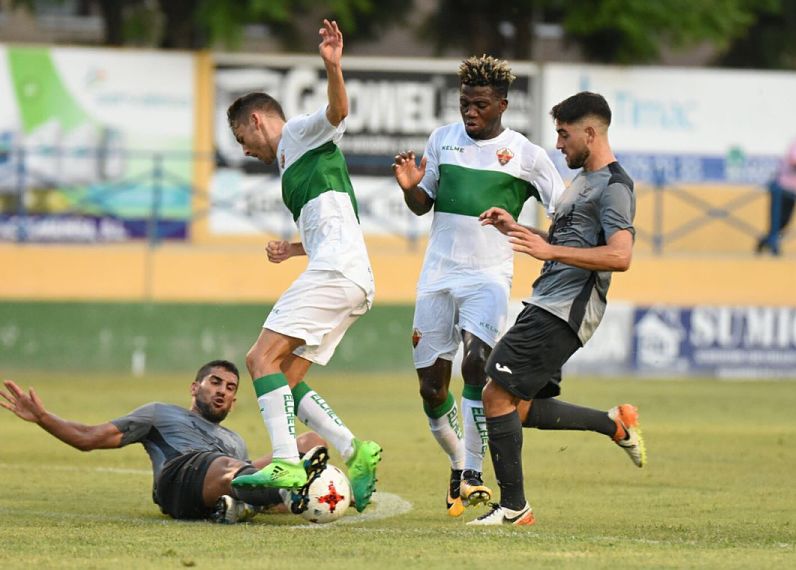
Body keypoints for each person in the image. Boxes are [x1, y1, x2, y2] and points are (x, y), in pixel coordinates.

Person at [391, 55, 564, 517]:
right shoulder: (442, 140)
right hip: (437, 276)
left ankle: (472, 472)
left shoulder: (527, 154)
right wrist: (410, 187)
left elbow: (564, 213)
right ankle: (455, 460)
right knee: (431, 388)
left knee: (477, 363)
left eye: (480, 105)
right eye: (465, 103)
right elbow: (421, 204)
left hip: (489, 276)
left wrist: (546, 245)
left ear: (503, 105)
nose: (470, 112)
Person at [468, 92, 646, 526]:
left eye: (565, 135)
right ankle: (614, 424)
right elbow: (565, 243)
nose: (559, 144)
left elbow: (620, 256)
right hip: (547, 301)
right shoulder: (581, 182)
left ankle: (514, 508)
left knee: (494, 392)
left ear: (590, 132)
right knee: (518, 407)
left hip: (563, 309)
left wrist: (548, 248)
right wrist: (519, 229)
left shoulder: (615, 187)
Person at [224, 19, 380, 513]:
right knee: (285, 378)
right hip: (350, 275)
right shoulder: (292, 166)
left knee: (259, 360)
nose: (243, 149)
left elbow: (337, 110)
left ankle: (288, 459)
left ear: (256, 120)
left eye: (240, 137)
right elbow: (336, 221)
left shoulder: (295, 134)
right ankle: (356, 450)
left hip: (336, 274)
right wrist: (293, 249)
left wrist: (333, 67)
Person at [0, 359, 328, 523]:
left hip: (223, 478)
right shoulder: (159, 414)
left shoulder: (234, 440)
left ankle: (246, 505)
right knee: (231, 468)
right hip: (178, 480)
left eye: (230, 389)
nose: (221, 391)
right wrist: (43, 418)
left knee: (310, 440)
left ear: (233, 402)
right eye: (215, 382)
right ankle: (275, 490)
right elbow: (88, 438)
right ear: (194, 387)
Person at [756, 139, 796, 255]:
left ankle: (765, 241)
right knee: (776, 221)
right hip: (782, 189)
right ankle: (773, 247)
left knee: (785, 222)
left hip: (793, 191)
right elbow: (793, 160)